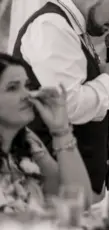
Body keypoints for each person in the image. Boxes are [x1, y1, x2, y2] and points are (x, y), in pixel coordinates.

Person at [12, 0, 109, 200]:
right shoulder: (51, 26)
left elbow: (73, 100)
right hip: (57, 189)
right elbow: (68, 105)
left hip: (80, 187)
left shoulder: (70, 28)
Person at [0, 53, 93, 212]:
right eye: (13, 88)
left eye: (27, 86)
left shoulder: (29, 142)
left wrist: (61, 130)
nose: (27, 95)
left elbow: (79, 201)